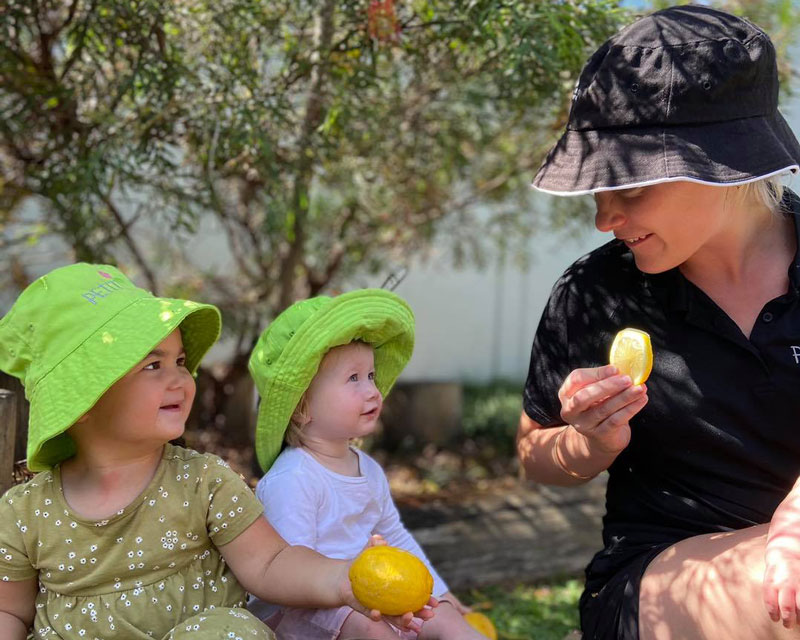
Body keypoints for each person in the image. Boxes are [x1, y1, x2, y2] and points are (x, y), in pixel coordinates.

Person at [516, 5, 800, 640]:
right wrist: (587, 442)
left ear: (720, 163)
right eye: (598, 188)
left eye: (632, 188)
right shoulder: (597, 290)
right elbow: (533, 453)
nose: (604, 219)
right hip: (658, 581)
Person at [0, 264, 433, 640]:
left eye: (180, 361)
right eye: (153, 365)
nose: (181, 379)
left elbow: (272, 562)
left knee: (231, 631)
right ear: (81, 401)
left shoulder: (202, 482)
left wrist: (343, 580)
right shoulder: (25, 513)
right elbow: (10, 611)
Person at [247, 289, 489, 639]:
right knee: (369, 629)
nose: (374, 391)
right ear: (303, 406)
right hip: (305, 610)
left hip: (370, 597)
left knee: (447, 619)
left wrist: (441, 593)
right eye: (353, 378)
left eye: (372, 376)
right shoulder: (293, 478)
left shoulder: (368, 469)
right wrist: (354, 600)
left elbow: (396, 538)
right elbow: (286, 574)